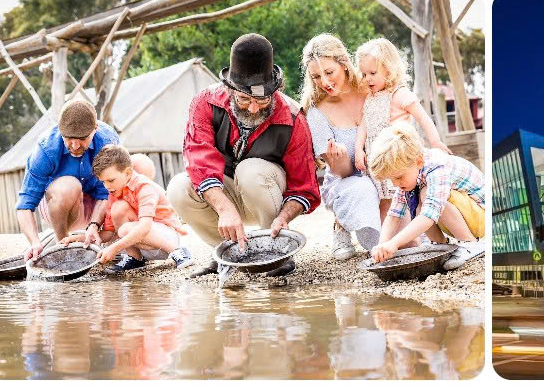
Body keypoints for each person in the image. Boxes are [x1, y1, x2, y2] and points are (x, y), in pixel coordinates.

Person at [167, 33, 321, 278]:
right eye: (244, 99)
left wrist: (284, 217)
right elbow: (198, 160)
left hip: (266, 194)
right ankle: (226, 252)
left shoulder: (293, 118)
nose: (253, 108)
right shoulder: (204, 103)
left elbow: (304, 187)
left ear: (276, 89)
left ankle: (275, 250)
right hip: (224, 195)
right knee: (178, 187)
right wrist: (225, 209)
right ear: (229, 89)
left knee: (250, 170)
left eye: (262, 99)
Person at [17, 99, 154, 260]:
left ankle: (125, 236)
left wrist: (94, 224)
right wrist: (34, 242)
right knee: (69, 186)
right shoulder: (46, 148)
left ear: (95, 129)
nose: (75, 146)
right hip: (61, 206)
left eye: (82, 138)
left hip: (99, 206)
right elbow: (25, 203)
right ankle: (63, 246)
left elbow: (105, 193)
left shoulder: (106, 140)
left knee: (140, 165)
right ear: (60, 129)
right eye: (68, 138)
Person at [300, 33, 383, 260]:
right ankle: (346, 227)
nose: (324, 83)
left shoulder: (371, 89)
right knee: (363, 188)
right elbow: (341, 172)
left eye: (329, 72)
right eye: (316, 77)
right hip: (347, 179)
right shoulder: (316, 111)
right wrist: (340, 159)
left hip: (385, 173)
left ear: (344, 63)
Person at [352, 38, 452, 226]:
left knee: (403, 198)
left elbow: (423, 118)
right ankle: (389, 235)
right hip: (379, 158)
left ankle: (413, 234)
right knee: (384, 201)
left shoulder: (399, 94)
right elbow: (364, 125)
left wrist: (435, 141)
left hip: (398, 156)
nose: (368, 79)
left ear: (389, 70)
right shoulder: (370, 98)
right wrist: (358, 149)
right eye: (364, 74)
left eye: (373, 73)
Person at [365, 124, 486, 270]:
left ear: (418, 161)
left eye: (398, 177)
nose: (395, 184)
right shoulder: (411, 170)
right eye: (391, 179)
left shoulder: (437, 166)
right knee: (417, 199)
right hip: (469, 217)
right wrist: (382, 246)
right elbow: (393, 216)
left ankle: (470, 244)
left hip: (483, 218)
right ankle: (440, 246)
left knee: (426, 194)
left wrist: (394, 243)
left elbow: (429, 214)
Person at [67, 144, 193, 273]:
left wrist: (115, 248)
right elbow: (108, 234)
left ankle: (179, 252)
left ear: (127, 173)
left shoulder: (144, 187)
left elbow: (145, 227)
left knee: (124, 230)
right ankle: (135, 258)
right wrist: (78, 238)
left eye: (111, 180)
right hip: (145, 243)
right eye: (103, 181)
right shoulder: (114, 193)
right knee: (118, 208)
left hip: (167, 239)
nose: (107, 186)